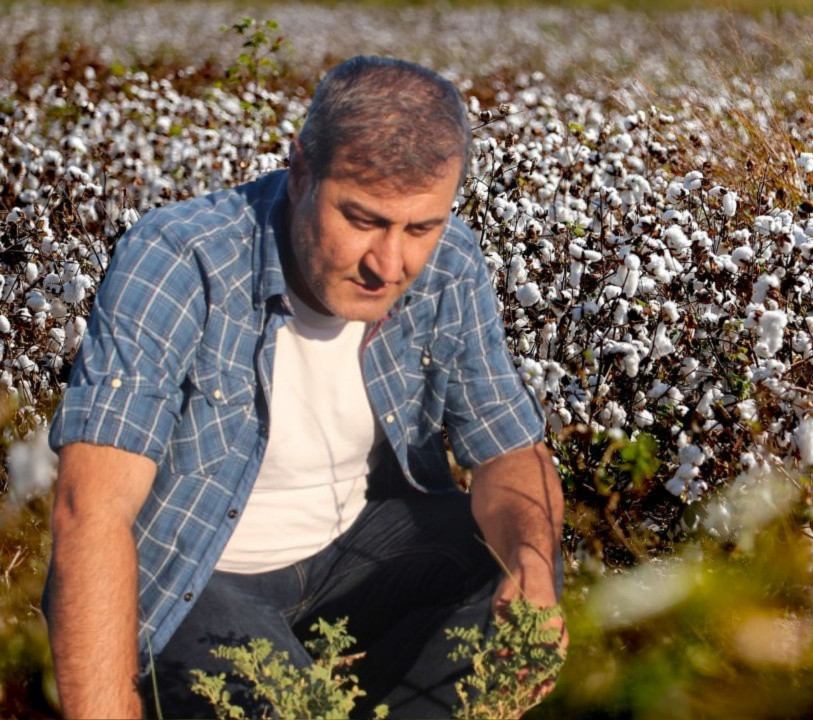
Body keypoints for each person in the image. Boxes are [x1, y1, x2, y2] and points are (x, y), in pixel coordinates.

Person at [44, 56, 564, 719]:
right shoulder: (181, 257)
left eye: (420, 228)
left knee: (519, 577)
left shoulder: (451, 262)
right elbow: (91, 509)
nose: (389, 264)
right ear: (300, 174)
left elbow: (508, 452)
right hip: (193, 574)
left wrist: (531, 568)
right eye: (363, 220)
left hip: (353, 552)